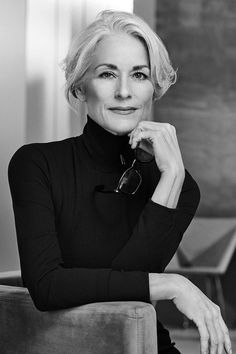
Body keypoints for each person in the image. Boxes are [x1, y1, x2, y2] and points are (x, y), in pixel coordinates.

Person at [8, 10, 231, 354]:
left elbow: (130, 290)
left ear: (153, 89)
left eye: (139, 75)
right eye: (107, 73)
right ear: (81, 87)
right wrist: (172, 284)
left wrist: (171, 177)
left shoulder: (180, 187)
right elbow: (47, 286)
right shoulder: (36, 164)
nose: (124, 91)